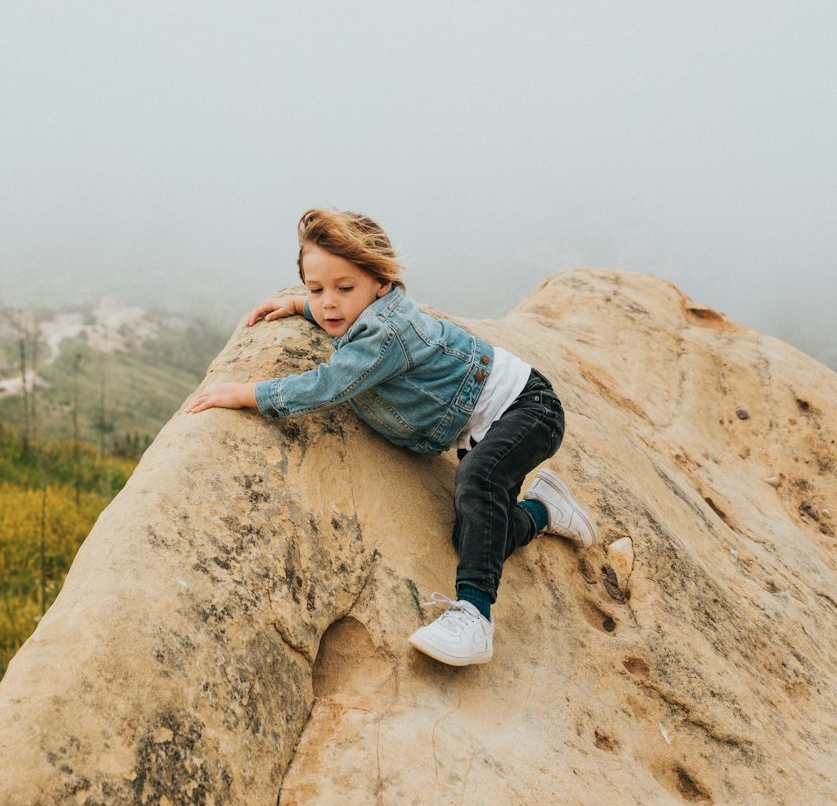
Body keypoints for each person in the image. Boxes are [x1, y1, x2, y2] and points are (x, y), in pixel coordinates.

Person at [187, 208, 596, 666]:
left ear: (380, 284)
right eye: (315, 289)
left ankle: (474, 617)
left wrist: (246, 393)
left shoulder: (385, 331)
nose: (328, 304)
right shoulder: (355, 311)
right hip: (485, 423)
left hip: (526, 407)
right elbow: (331, 314)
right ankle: (544, 510)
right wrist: (299, 307)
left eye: (345, 289)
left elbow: (328, 384)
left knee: (479, 482)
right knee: (475, 537)